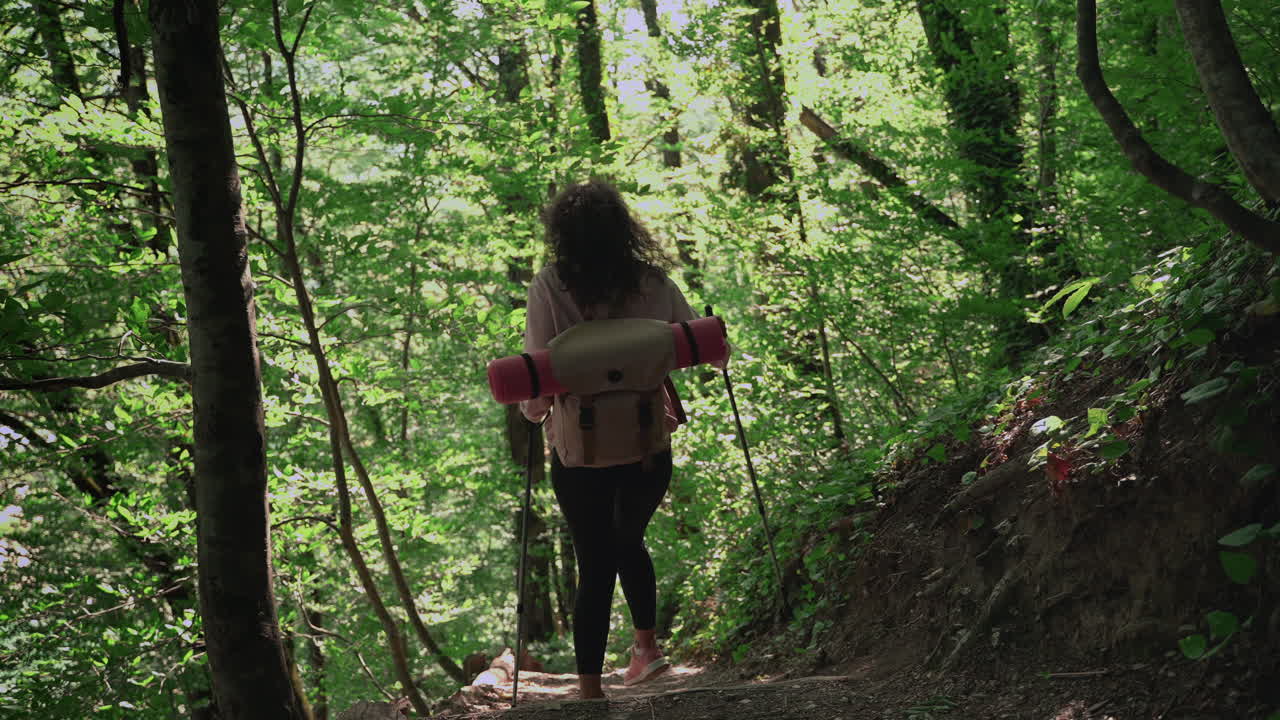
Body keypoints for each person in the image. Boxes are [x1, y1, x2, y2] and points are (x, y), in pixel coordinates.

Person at [519, 180, 708, 700]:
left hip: (580, 457)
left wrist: (534, 413)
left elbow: (539, 371)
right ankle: (646, 652)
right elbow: (689, 344)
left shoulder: (549, 286)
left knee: (595, 559)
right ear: (624, 227)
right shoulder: (653, 282)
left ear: (562, 234)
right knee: (627, 542)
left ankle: (588, 691)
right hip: (648, 445)